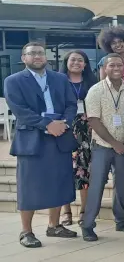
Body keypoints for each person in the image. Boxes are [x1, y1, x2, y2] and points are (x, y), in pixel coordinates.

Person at [5, 42, 79, 248]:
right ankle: (26, 231)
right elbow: (20, 110)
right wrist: (47, 124)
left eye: (40, 53)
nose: (37, 56)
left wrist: (64, 123)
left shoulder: (60, 79)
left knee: (59, 182)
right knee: (29, 186)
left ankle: (54, 226)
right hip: (31, 139)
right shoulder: (13, 81)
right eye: (32, 53)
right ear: (23, 58)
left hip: (59, 136)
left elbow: (71, 104)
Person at [82, 53, 124, 241]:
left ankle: (121, 222)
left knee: (122, 186)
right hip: (103, 146)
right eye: (111, 65)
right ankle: (88, 225)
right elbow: (93, 120)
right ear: (105, 68)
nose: (116, 68)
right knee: (97, 186)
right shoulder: (95, 90)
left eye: (120, 65)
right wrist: (114, 143)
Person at [59, 50, 97, 227]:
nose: (76, 63)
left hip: (86, 131)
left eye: (80, 60)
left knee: (85, 172)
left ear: (85, 64)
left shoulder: (92, 82)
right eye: (72, 60)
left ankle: (83, 211)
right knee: (63, 172)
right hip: (64, 129)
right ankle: (66, 213)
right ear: (66, 62)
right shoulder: (58, 81)